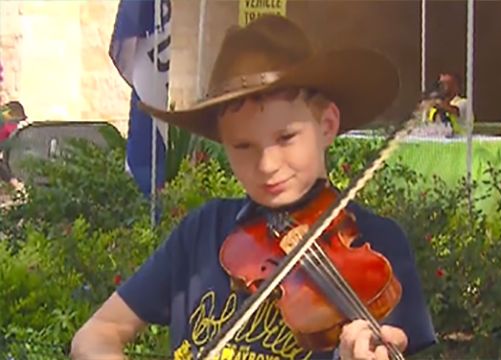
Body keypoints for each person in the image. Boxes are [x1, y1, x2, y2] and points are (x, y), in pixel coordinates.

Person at [71, 15, 436, 360]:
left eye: (286, 137)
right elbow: (96, 334)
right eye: (243, 146)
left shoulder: (379, 246)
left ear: (327, 125)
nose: (267, 165)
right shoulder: (203, 231)